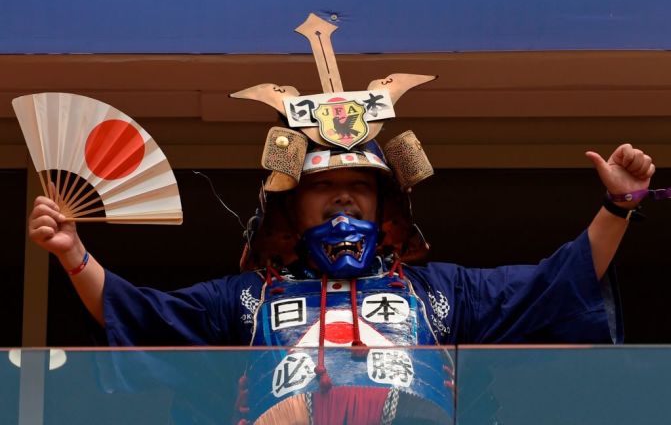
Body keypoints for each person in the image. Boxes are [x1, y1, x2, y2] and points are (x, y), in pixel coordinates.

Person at [28, 134, 654, 422]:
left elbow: (554, 284)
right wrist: (74, 254)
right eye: (323, 187)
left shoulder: (437, 292)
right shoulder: (249, 298)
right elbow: (149, 318)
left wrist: (618, 208)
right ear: (290, 210)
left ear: (386, 208)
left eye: (358, 187)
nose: (343, 200)